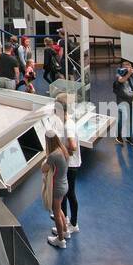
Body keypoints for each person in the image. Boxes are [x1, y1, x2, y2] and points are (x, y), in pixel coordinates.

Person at [53, 94, 82, 237]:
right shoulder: (67, 122)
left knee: (67, 194)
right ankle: (67, 223)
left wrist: (61, 153)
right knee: (67, 194)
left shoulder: (68, 126)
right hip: (71, 164)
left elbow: (72, 146)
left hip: (70, 165)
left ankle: (69, 226)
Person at [42, 130, 70, 249]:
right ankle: (65, 231)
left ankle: (60, 240)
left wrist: (45, 161)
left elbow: (44, 169)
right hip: (64, 185)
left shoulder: (53, 155)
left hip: (56, 188)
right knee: (59, 210)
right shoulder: (62, 149)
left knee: (56, 213)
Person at [112, 63, 133, 144]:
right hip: (122, 101)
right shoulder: (118, 75)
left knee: (130, 119)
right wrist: (129, 73)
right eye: (126, 68)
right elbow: (121, 80)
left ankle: (129, 137)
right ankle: (118, 136)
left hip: (131, 101)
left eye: (129, 68)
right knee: (124, 117)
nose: (128, 69)